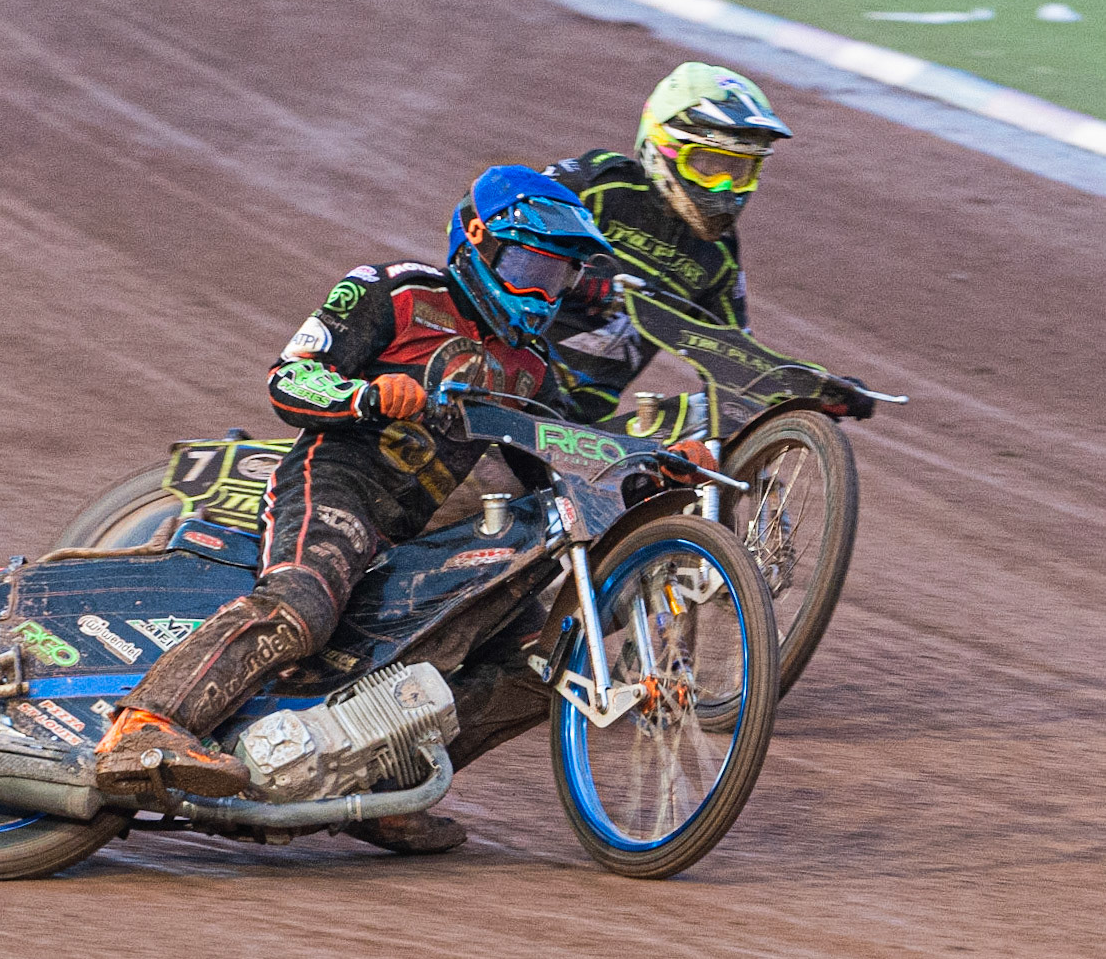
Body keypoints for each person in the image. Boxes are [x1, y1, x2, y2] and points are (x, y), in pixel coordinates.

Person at [92, 165, 617, 852]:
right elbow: (289, 378)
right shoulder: (393, 292)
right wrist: (365, 396)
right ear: (476, 238)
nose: (542, 294)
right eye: (528, 268)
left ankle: (387, 785)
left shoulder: (533, 368)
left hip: (418, 532)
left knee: (545, 663)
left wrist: (657, 460)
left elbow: (569, 453)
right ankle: (147, 726)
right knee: (302, 605)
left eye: (557, 277)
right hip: (334, 481)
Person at [540, 61, 795, 425]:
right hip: (506, 375)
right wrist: (574, 277)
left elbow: (737, 359)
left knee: (725, 415)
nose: (723, 187)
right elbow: (493, 221)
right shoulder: (600, 186)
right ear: (662, 146)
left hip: (583, 428)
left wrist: (812, 389)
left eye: (738, 171)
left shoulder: (718, 254)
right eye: (709, 166)